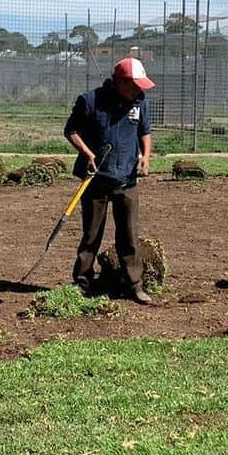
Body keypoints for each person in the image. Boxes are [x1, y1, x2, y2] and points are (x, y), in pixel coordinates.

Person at [64, 57, 154, 304]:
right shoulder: (90, 101)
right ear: (119, 82)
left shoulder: (139, 101)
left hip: (127, 179)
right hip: (95, 180)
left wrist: (145, 157)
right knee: (91, 235)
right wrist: (87, 153)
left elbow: (145, 132)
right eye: (134, 85)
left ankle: (134, 284)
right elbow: (70, 130)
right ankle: (83, 281)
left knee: (129, 235)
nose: (138, 90)